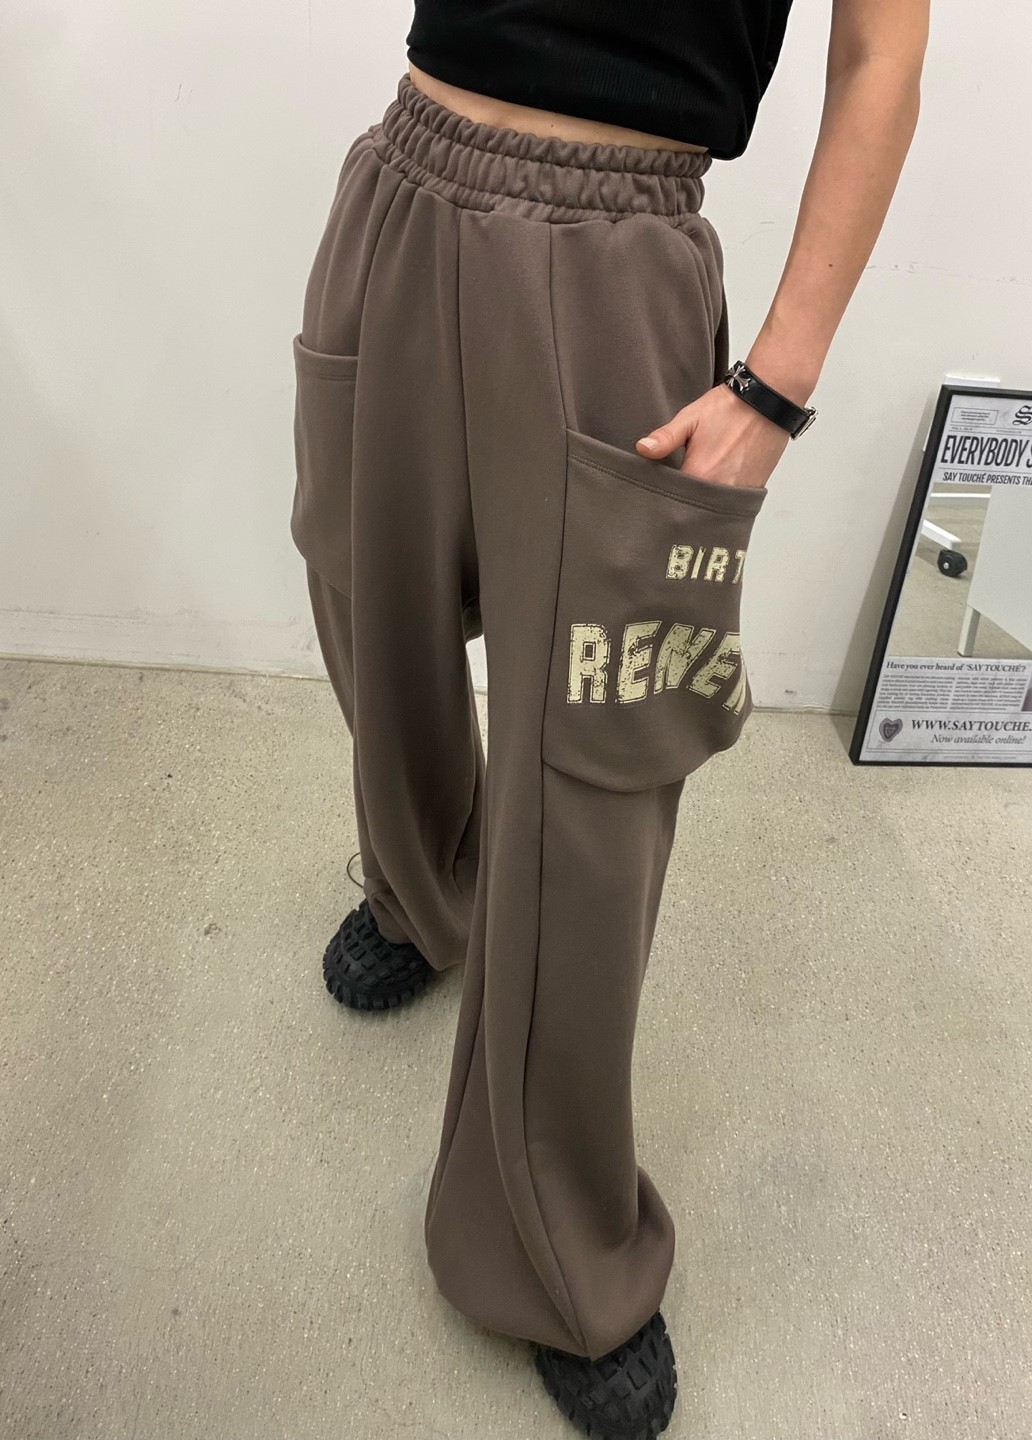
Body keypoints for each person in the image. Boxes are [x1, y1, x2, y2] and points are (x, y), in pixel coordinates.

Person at [290, 3, 930, 1435]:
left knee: (596, 765)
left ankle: (556, 1249)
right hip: (403, 174)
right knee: (366, 602)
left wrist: (777, 383)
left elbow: (881, 53)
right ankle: (426, 894)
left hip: (618, 243)